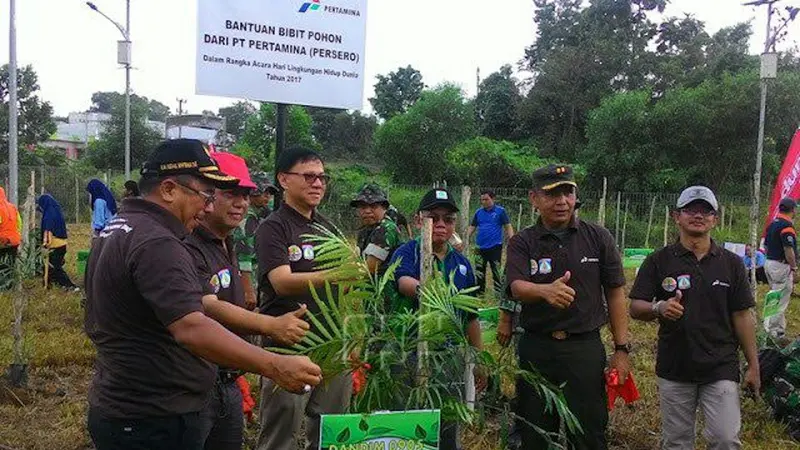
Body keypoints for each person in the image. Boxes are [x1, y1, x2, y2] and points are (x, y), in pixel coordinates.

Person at [83, 139, 321, 450]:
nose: (208, 205)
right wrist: (273, 363)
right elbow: (192, 326)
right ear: (169, 189)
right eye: (205, 194)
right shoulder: (157, 241)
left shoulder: (120, 227)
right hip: (152, 416)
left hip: (132, 403)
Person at [184, 152, 311, 450]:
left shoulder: (225, 240)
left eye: (245, 194)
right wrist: (271, 325)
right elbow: (207, 304)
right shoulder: (187, 244)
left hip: (226, 378)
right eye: (230, 193)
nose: (241, 202)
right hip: (193, 385)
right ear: (205, 192)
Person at [505, 164, 629, 450]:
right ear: (533, 198)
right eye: (552, 194)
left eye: (568, 192)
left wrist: (621, 349)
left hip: (583, 348)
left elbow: (615, 294)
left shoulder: (598, 238)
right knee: (535, 431)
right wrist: (544, 291)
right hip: (537, 347)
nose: (562, 201)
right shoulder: (522, 242)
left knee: (588, 430)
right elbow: (516, 287)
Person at [629, 185, 760, 450]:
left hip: (720, 366)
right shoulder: (658, 261)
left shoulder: (731, 264)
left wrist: (754, 365)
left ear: (715, 218)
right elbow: (635, 307)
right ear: (676, 216)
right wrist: (659, 308)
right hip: (675, 367)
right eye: (690, 209)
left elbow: (742, 315)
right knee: (677, 443)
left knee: (725, 440)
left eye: (705, 210)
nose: (698, 215)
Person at [255, 147, 353, 450]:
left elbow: (349, 284)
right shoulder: (273, 227)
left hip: (332, 341)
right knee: (280, 435)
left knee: (332, 432)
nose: (318, 183)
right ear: (284, 179)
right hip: (289, 343)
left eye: (322, 177)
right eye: (309, 176)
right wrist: (336, 276)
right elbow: (281, 282)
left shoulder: (328, 226)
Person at [387, 187, 485, 450]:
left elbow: (471, 317)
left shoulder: (462, 265)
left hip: (449, 356)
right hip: (407, 353)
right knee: (405, 422)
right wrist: (426, 290)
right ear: (419, 220)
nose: (441, 224)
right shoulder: (407, 252)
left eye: (448, 219)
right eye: (433, 217)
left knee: (447, 424)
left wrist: (478, 360)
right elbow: (403, 281)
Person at [233, 170, 278, 310]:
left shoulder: (257, 216)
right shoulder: (248, 219)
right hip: (246, 276)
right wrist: (248, 290)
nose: (267, 196)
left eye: (270, 193)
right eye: (264, 191)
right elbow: (244, 255)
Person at [466, 189, 514, 296]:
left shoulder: (500, 211)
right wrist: (464, 239)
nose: (483, 202)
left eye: (486, 199)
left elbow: (508, 226)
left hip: (495, 246)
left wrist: (512, 240)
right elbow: (472, 227)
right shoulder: (478, 212)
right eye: (482, 200)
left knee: (496, 271)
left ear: (493, 199)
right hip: (479, 247)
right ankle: (480, 294)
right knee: (479, 272)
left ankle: (498, 294)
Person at [350, 183, 404, 276]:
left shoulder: (386, 228)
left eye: (373, 206)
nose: (367, 211)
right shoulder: (365, 230)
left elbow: (369, 268)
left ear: (384, 208)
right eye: (363, 207)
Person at [764, 197, 798, 338]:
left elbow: (765, 245)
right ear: (793, 210)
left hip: (770, 262)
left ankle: (775, 327)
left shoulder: (772, 224)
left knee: (774, 295)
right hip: (781, 265)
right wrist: (794, 268)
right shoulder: (787, 227)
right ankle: (773, 331)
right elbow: (788, 250)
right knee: (780, 299)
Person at [38, 194, 78, 290]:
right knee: (51, 267)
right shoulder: (56, 211)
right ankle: (48, 285)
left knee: (55, 268)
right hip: (62, 243)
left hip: (54, 245)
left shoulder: (49, 214)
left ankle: (70, 286)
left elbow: (48, 230)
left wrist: (46, 244)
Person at [0, 186, 21, 283]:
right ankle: (10, 283)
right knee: (11, 263)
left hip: (3, 240)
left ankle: (3, 284)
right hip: (15, 240)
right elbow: (19, 223)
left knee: (2, 264)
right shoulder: (12, 207)